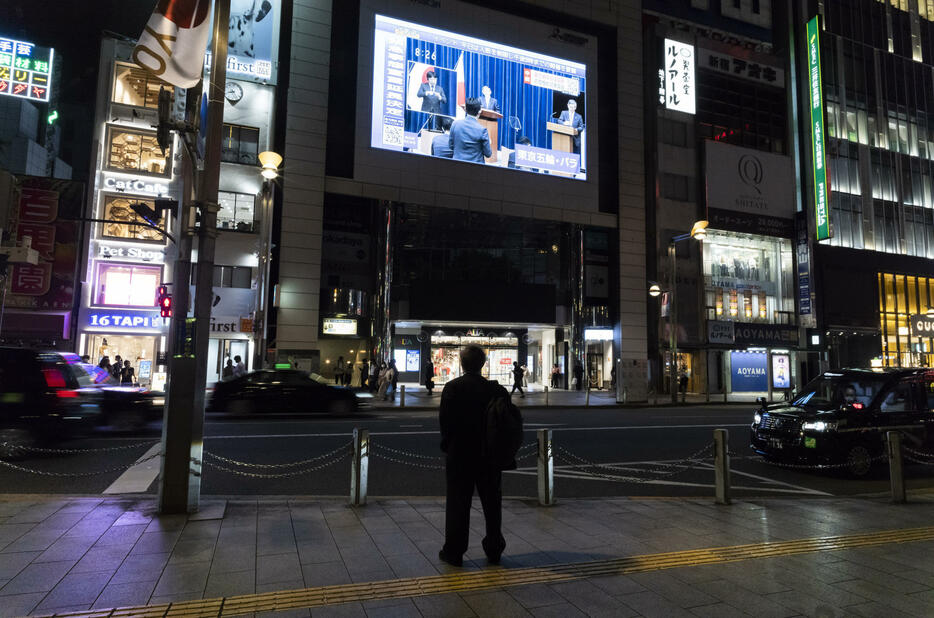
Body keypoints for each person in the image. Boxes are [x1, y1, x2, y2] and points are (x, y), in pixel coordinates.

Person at [438, 345, 510, 567]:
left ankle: (455, 551)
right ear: (483, 364)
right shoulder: (496, 390)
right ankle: (494, 549)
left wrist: (449, 445)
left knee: (458, 504)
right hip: (489, 455)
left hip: (460, 455)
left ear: (462, 363)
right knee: (492, 504)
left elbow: (445, 425)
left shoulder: (452, 388)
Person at [450, 97, 492, 163]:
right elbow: (488, 154)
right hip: (475, 169)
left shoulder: (455, 124)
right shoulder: (482, 130)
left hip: (456, 166)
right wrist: (489, 142)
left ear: (465, 109)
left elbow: (451, 146)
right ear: (480, 111)